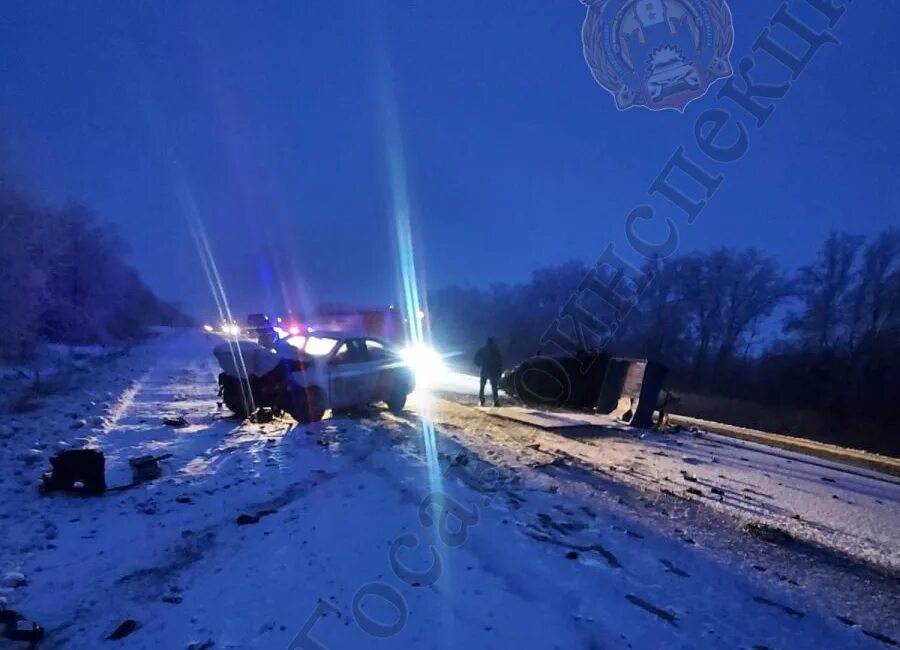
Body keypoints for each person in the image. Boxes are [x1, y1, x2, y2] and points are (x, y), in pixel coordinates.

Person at [474, 337, 503, 407]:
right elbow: (499, 361)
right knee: (494, 387)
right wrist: (499, 371)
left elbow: (476, 357)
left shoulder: (484, 349)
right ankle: (495, 401)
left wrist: (479, 364)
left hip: (485, 369)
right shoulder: (495, 350)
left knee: (483, 386)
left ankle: (482, 399)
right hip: (492, 371)